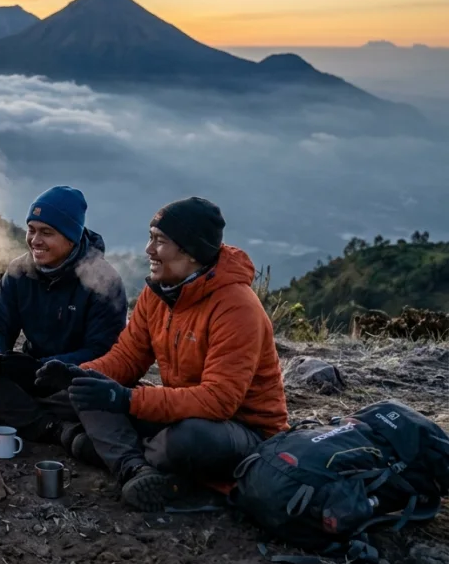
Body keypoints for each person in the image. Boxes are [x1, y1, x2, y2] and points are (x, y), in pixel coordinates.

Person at [34, 197, 288, 511]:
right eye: (150, 238)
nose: (149, 250)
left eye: (160, 241)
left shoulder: (236, 308)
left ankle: (116, 451)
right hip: (182, 411)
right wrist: (79, 374)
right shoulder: (159, 293)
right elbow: (127, 358)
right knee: (90, 391)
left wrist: (125, 400)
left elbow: (218, 401)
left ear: (191, 251)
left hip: (241, 430)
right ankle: (133, 468)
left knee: (189, 438)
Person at [0, 185, 127, 439]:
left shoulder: (104, 282)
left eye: (46, 232)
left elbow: (102, 350)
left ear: (71, 237)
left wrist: (52, 366)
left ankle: (13, 412)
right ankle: (51, 427)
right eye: (31, 230)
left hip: (72, 378)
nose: (35, 240)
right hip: (31, 373)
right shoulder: (19, 273)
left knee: (89, 396)